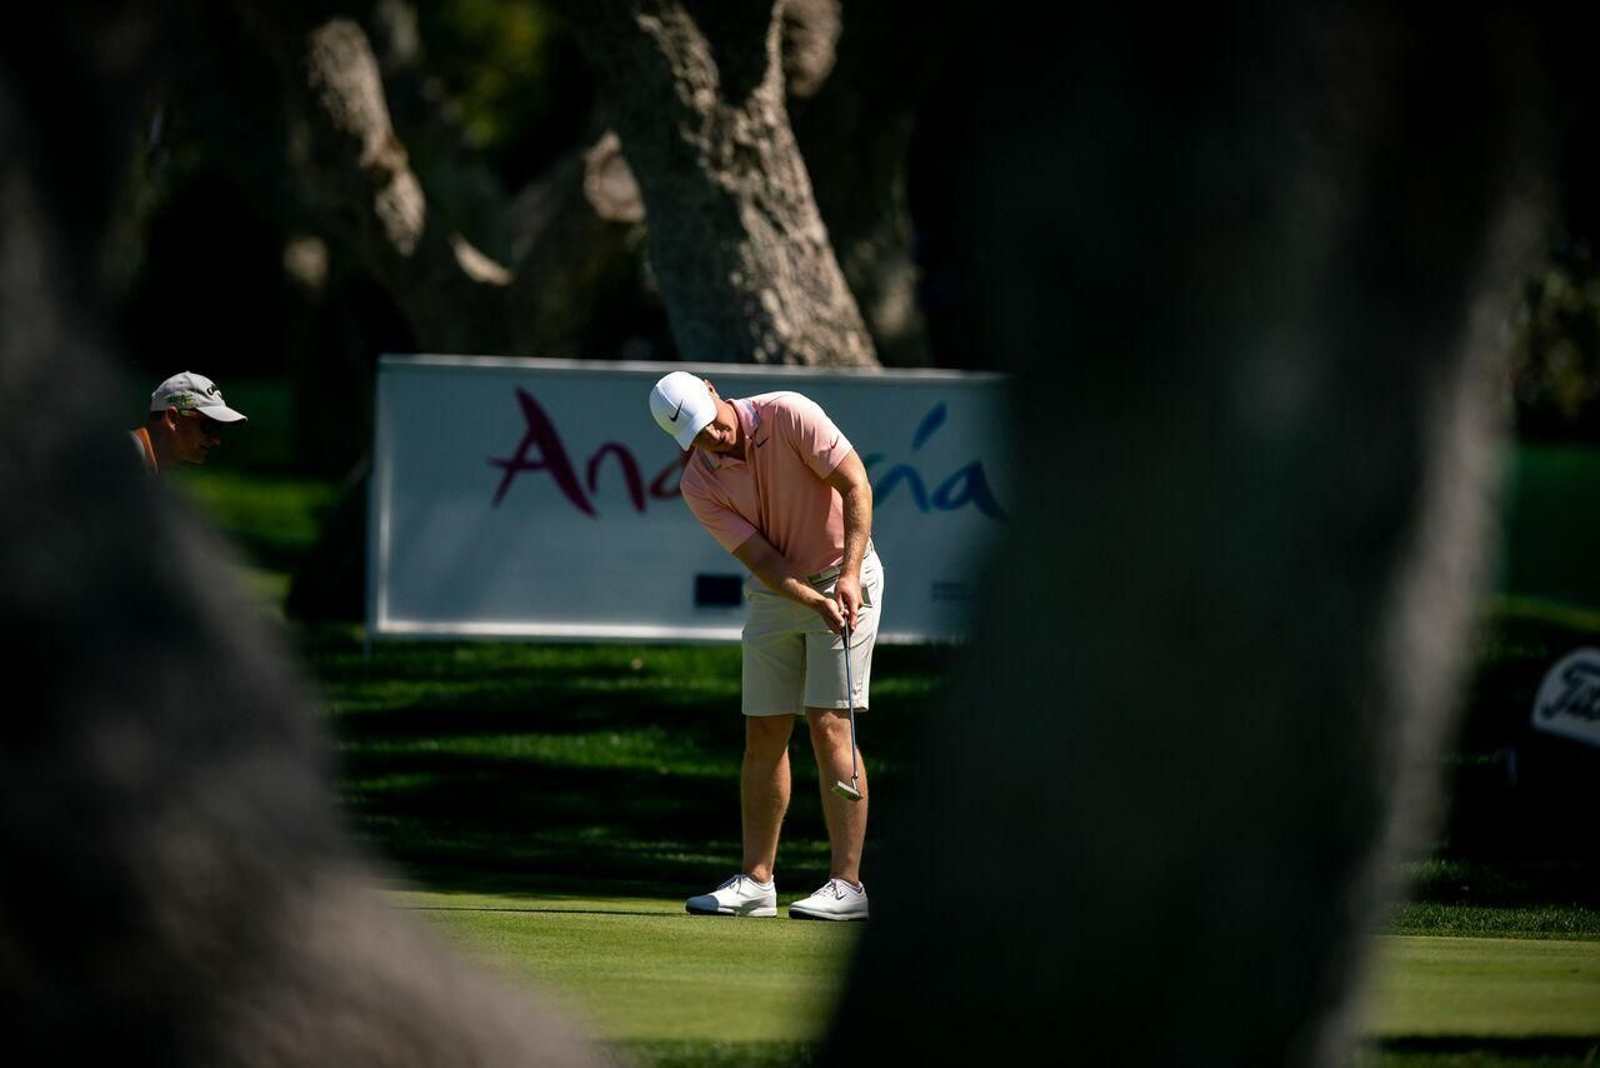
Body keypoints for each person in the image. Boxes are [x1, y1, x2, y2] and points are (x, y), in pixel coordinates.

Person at [649, 370, 884, 921]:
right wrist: (810, 600)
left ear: (712, 390)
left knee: (828, 720)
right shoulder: (698, 485)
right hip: (782, 592)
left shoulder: (788, 413)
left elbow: (856, 484)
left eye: (712, 426)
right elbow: (765, 562)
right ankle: (757, 882)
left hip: (846, 573)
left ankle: (847, 884)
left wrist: (847, 577)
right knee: (763, 727)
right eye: (697, 438)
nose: (713, 440)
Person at [131, 371, 248, 479]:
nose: (216, 440)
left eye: (219, 428)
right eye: (210, 426)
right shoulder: (124, 459)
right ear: (173, 419)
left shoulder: (141, 466)